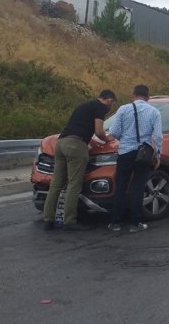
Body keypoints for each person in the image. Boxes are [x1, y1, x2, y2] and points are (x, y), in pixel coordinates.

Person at [42, 90, 117, 231]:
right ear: (109, 100)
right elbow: (99, 131)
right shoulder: (100, 107)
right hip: (76, 145)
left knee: (56, 184)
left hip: (61, 143)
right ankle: (69, 221)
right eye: (112, 104)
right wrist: (108, 138)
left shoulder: (84, 105)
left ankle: (48, 219)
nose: (111, 107)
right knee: (74, 183)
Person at [107, 85, 163, 232]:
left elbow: (114, 132)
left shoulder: (123, 109)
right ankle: (135, 223)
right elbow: (157, 136)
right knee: (138, 187)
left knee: (121, 187)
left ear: (133, 95)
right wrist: (157, 155)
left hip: (125, 152)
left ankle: (115, 223)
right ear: (148, 97)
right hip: (142, 154)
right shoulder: (154, 112)